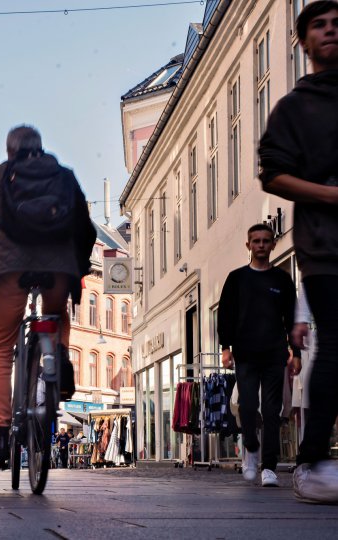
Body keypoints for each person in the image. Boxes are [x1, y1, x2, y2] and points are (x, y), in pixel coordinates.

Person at [0, 125, 96, 469]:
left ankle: (0, 433)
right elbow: (85, 227)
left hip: (10, 270)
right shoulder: (64, 177)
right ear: (41, 146)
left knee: (1, 350)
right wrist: (76, 268)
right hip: (57, 268)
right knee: (56, 315)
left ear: (10, 150)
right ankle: (60, 358)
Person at [258, 0, 338, 502]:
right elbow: (272, 173)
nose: (332, 31)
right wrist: (330, 195)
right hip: (326, 247)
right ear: (303, 41)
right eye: (321, 25)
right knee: (337, 344)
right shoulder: (294, 107)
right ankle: (310, 458)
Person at [217, 224, 300, 487]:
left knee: (273, 411)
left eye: (266, 241)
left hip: (275, 354)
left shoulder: (281, 280)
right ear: (248, 245)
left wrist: (295, 353)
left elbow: (292, 317)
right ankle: (251, 451)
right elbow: (225, 315)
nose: (261, 245)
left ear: (273, 244)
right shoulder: (237, 278)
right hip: (246, 354)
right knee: (249, 406)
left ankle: (270, 468)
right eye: (256, 241)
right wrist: (226, 348)